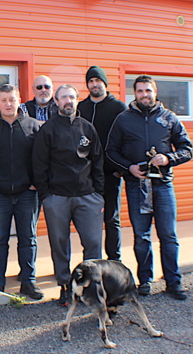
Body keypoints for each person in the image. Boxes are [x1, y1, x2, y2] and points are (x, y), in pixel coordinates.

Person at [106, 75, 192, 300]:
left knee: (168, 236)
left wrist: (168, 158)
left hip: (163, 186)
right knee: (141, 236)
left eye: (148, 90)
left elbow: (187, 149)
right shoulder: (123, 119)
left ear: (155, 92)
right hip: (137, 187)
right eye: (140, 91)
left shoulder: (169, 117)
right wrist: (129, 168)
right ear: (135, 93)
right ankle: (145, 280)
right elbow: (111, 151)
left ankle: (174, 282)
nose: (145, 94)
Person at [32, 84, 104, 306]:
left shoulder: (87, 128)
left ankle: (89, 286)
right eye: (63, 97)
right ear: (56, 101)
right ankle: (64, 285)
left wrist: (99, 194)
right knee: (60, 244)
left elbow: (98, 161)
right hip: (57, 197)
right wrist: (46, 195)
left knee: (93, 243)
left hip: (87, 196)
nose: (68, 101)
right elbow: (39, 164)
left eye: (71, 97)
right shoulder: (48, 130)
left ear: (77, 99)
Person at [0, 84, 43, 299]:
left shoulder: (34, 126)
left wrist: (35, 182)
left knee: (28, 238)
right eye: (4, 100)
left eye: (12, 99)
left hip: (27, 193)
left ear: (19, 100)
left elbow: (41, 158)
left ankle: (28, 282)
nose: (8, 104)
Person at [77, 66, 127, 262]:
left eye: (98, 80)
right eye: (91, 81)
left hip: (110, 173)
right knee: (90, 220)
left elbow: (126, 139)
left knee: (111, 219)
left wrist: (120, 169)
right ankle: (92, 261)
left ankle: (115, 260)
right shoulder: (81, 108)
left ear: (105, 83)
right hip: (86, 175)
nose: (94, 84)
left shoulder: (118, 108)